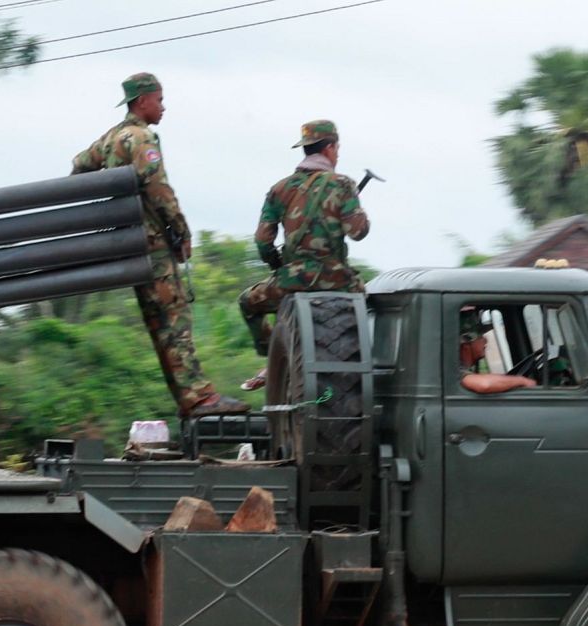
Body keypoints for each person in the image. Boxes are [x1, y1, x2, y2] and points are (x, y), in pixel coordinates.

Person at [71, 72, 248, 418]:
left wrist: (106, 210)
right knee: (174, 319)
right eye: (159, 99)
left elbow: (79, 167)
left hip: (126, 244)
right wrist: (181, 231)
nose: (163, 107)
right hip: (152, 245)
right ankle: (199, 399)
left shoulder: (110, 139)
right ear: (142, 101)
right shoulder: (141, 138)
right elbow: (159, 190)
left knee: (158, 323)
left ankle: (190, 401)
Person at [237, 119, 370, 391]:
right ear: (330, 148)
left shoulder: (279, 189)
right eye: (337, 148)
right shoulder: (343, 184)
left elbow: (263, 240)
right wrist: (357, 209)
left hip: (290, 282)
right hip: (337, 280)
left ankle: (274, 358)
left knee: (248, 303)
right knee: (369, 302)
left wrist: (279, 265)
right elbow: (357, 232)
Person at [459, 313, 537, 395]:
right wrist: (522, 381)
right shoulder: (453, 370)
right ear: (466, 345)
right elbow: (484, 384)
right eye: (480, 336)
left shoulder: (463, 369)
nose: (485, 340)